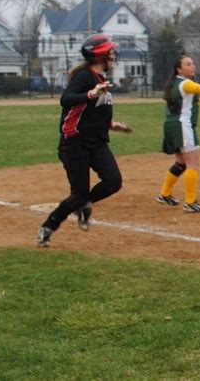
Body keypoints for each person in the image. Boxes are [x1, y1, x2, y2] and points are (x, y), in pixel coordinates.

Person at [37, 33, 132, 247]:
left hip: (96, 141)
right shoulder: (85, 78)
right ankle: (48, 226)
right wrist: (90, 94)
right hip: (74, 143)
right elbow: (66, 100)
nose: (113, 55)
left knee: (113, 181)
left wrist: (110, 124)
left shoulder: (100, 79)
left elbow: (93, 112)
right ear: (99, 56)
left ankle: (85, 204)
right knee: (78, 195)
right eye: (109, 52)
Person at [156, 55, 200, 213]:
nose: (193, 67)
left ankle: (164, 194)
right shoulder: (185, 83)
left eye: (193, 64)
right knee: (193, 164)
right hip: (182, 126)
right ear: (179, 69)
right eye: (188, 64)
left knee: (181, 163)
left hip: (170, 125)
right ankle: (190, 202)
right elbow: (195, 88)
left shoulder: (173, 83)